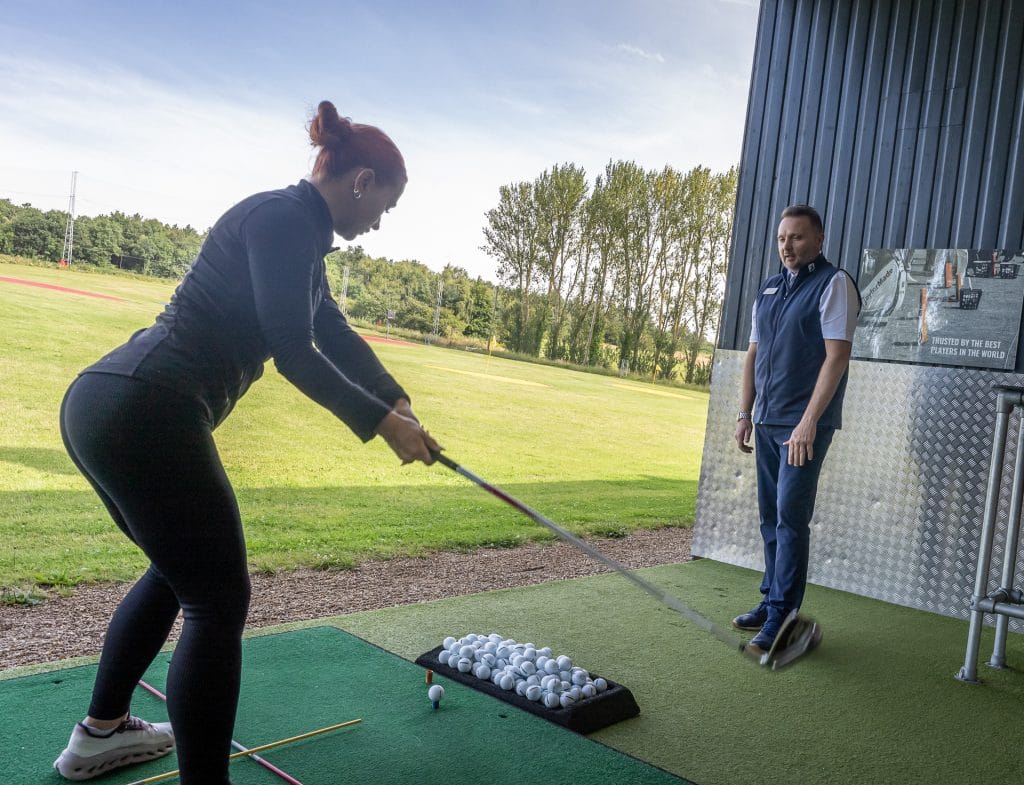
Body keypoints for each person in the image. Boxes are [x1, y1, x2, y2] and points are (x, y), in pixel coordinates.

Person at [54, 101, 439, 784]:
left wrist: (399, 402)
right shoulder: (284, 220)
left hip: (111, 405)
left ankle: (100, 731)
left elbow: (336, 334)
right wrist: (382, 428)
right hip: (147, 407)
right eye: (385, 204)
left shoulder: (298, 236)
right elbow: (296, 351)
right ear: (361, 180)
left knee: (181, 574)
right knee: (219, 598)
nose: (378, 223)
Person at [732, 204, 859, 654]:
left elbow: (836, 357)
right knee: (771, 516)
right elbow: (753, 354)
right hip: (765, 420)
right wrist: (745, 413)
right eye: (783, 238)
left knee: (790, 518)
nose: (788, 246)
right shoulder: (767, 288)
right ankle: (771, 603)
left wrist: (808, 422)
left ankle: (784, 618)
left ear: (818, 240)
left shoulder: (834, 284)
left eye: (798, 238)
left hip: (801, 426)